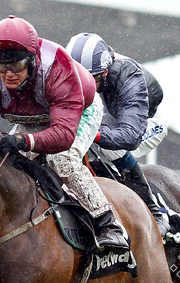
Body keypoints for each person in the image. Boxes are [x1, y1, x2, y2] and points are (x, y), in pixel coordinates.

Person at [0, 15, 128, 252]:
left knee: (61, 159)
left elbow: (62, 135)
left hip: (78, 109)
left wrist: (22, 140)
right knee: (3, 162)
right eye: (1, 66)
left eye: (17, 65)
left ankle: (108, 224)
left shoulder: (56, 67)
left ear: (32, 60)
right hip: (33, 115)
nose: (8, 74)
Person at [65, 32, 170, 236]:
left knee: (106, 144)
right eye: (76, 77)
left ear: (104, 73)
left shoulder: (128, 75)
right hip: (109, 116)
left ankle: (155, 210)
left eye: (89, 79)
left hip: (144, 124)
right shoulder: (74, 66)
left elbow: (130, 135)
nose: (80, 86)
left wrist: (92, 135)